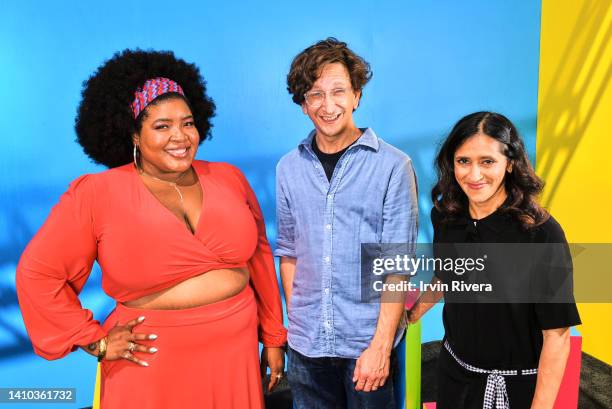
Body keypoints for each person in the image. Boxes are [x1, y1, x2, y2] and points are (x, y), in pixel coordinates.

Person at [16, 49, 287, 409]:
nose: (181, 136)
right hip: (151, 359)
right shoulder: (98, 193)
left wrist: (272, 335)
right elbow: (38, 274)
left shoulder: (228, 178)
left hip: (234, 351)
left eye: (187, 123)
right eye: (162, 126)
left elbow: (259, 258)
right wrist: (94, 341)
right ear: (134, 135)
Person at [275, 38, 418, 408]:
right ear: (303, 105)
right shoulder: (288, 168)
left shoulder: (393, 166)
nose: (328, 105)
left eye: (338, 91)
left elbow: (397, 266)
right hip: (306, 350)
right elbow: (289, 253)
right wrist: (300, 326)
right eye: (315, 94)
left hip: (367, 347)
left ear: (356, 95)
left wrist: (380, 347)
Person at [408, 112, 581, 409]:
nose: (474, 175)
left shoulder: (541, 234)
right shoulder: (446, 217)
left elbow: (557, 334)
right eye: (464, 161)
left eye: (487, 161)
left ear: (510, 163)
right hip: (453, 376)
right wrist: (411, 315)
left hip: (515, 389)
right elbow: (447, 275)